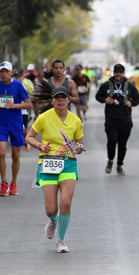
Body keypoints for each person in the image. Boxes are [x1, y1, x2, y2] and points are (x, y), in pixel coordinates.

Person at [25, 86, 84, 253]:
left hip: (68, 163)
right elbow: (29, 137)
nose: (60, 100)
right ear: (52, 101)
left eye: (63, 97)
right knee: (51, 209)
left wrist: (79, 148)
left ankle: (61, 240)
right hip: (48, 163)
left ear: (68, 100)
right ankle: (52, 220)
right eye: (57, 97)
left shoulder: (75, 120)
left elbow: (80, 142)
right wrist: (39, 145)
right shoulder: (43, 118)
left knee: (65, 202)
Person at [95, 64, 139, 176]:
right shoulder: (106, 85)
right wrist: (105, 99)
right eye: (116, 72)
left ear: (123, 73)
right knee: (111, 140)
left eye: (120, 72)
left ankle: (120, 165)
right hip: (111, 119)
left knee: (122, 144)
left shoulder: (129, 86)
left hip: (125, 119)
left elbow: (137, 98)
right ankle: (110, 160)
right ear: (113, 72)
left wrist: (131, 103)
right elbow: (98, 96)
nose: (118, 74)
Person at [0, 61, 32, 196]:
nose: (4, 74)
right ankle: (4, 182)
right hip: (1, 125)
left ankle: (13, 182)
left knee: (15, 155)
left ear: (11, 72)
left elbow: (28, 104)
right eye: (1, 71)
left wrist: (14, 106)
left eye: (6, 71)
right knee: (1, 153)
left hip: (16, 125)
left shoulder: (18, 85)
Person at [13, 68, 35, 151]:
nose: (17, 78)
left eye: (18, 76)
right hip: (15, 112)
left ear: (22, 77)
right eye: (15, 76)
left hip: (24, 111)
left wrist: (26, 98)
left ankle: (25, 141)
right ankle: (18, 143)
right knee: (19, 128)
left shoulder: (25, 85)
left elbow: (32, 95)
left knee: (25, 130)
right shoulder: (11, 85)